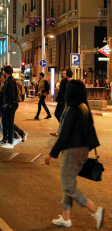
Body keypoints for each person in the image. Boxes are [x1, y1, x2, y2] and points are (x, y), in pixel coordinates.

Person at [44, 80, 104, 229]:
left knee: (69, 186)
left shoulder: (72, 110)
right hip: (82, 150)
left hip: (72, 151)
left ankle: (96, 210)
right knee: (67, 183)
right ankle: (66, 217)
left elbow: (63, 136)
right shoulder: (84, 107)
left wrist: (51, 154)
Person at [0, 65, 19, 149]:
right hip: (9, 104)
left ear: (5, 72)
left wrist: (10, 104)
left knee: (9, 123)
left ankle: (11, 141)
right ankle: (10, 139)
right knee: (6, 122)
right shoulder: (10, 80)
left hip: (10, 105)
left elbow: (11, 94)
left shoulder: (10, 81)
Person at [51, 69, 73, 136]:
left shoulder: (64, 81)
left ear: (66, 75)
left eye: (64, 74)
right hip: (69, 101)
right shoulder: (74, 82)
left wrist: (59, 100)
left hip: (63, 101)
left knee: (60, 115)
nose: (63, 75)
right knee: (62, 116)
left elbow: (61, 92)